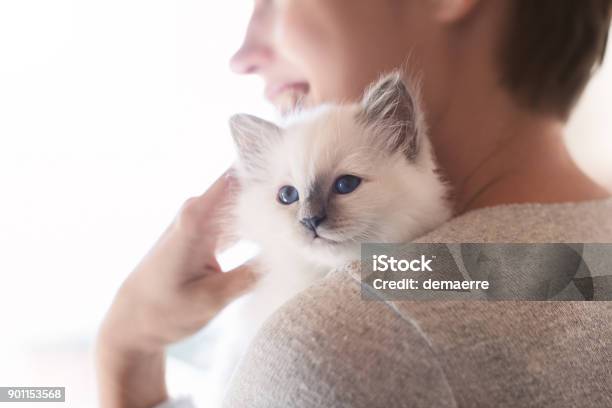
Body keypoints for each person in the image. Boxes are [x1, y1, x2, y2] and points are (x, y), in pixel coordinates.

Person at [96, 0, 612, 407]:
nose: (242, 54)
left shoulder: (335, 345)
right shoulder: (588, 262)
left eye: (274, 1)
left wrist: (122, 356)